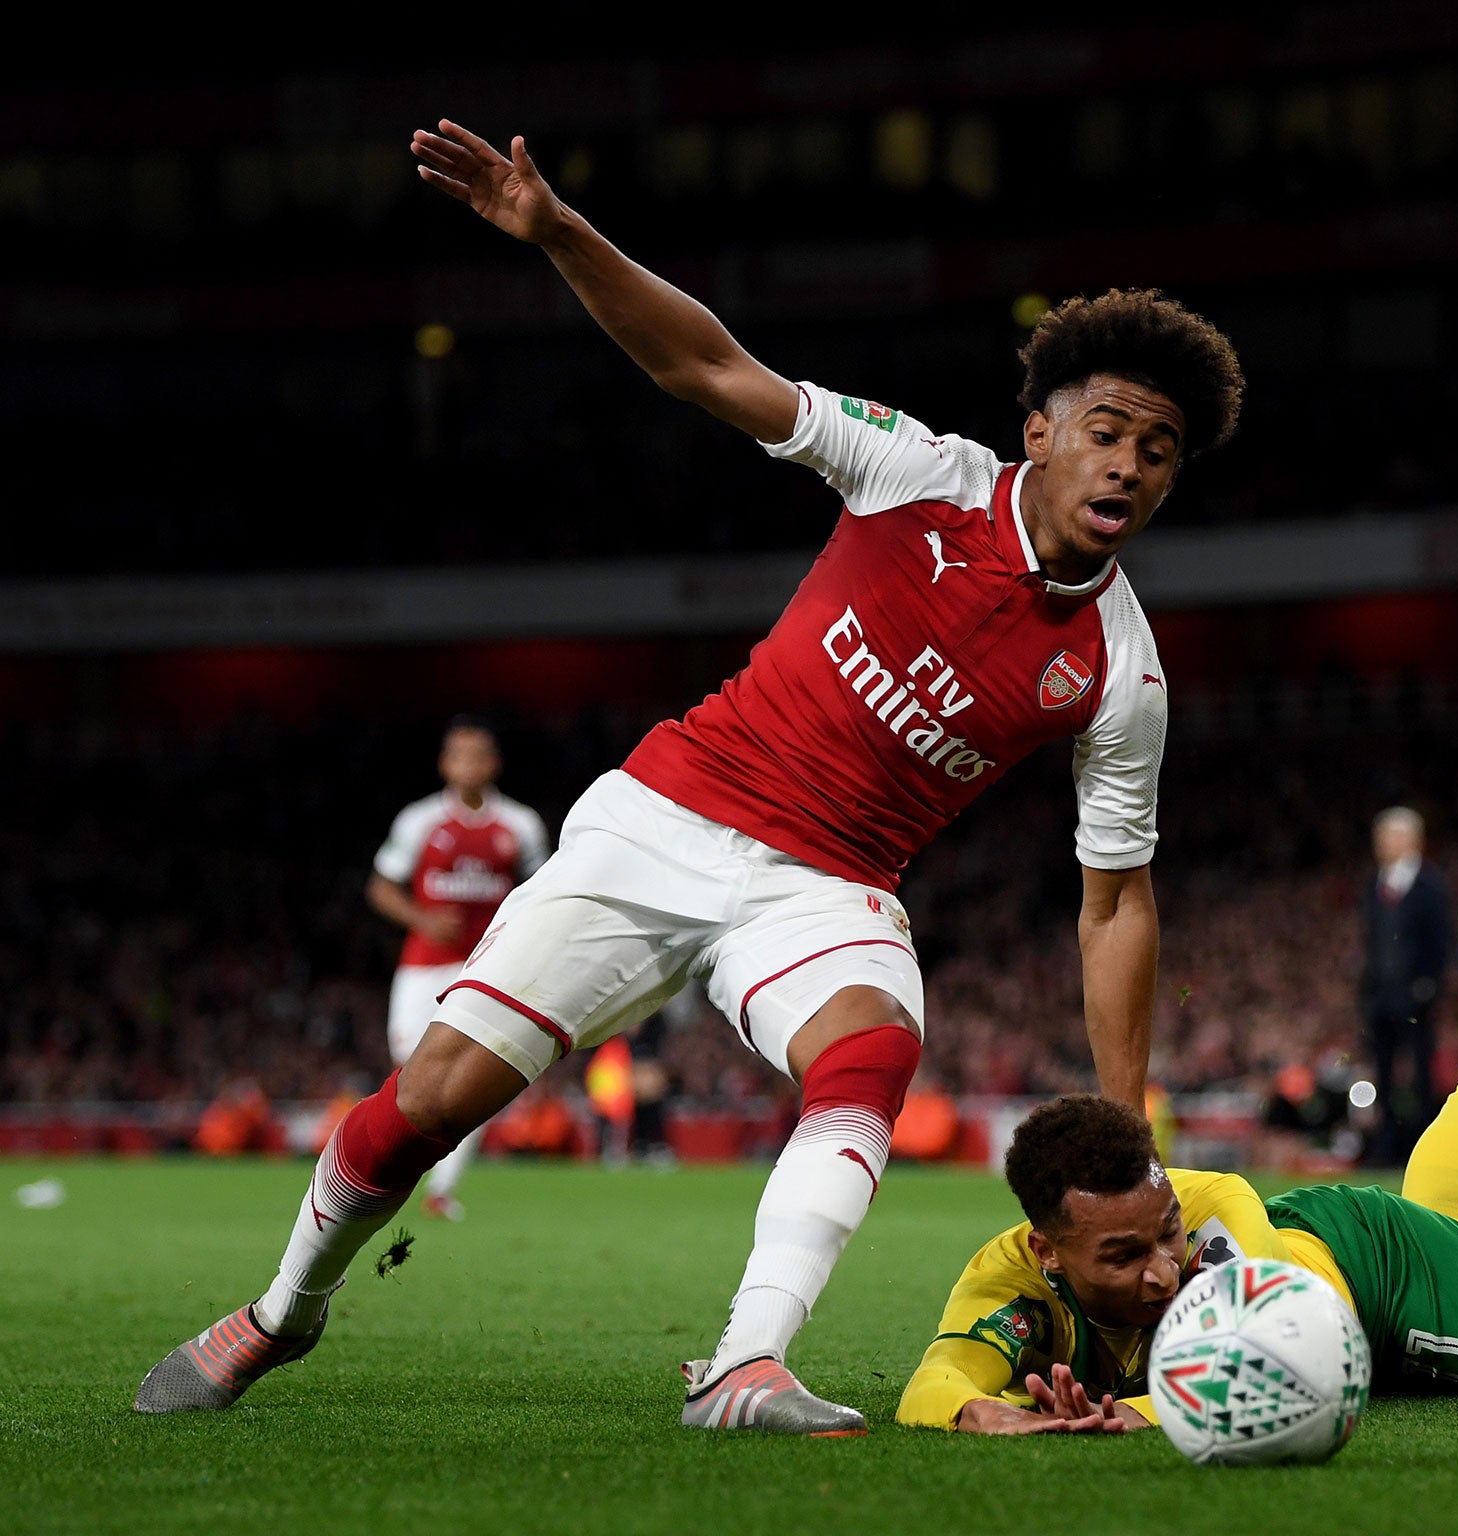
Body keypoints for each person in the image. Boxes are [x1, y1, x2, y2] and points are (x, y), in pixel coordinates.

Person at [134, 118, 1246, 1434]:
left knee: (873, 1055)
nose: (1129, 463)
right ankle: (283, 1310)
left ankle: (742, 1366)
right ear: (1041, 433)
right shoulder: (917, 475)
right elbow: (710, 364)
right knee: (425, 1107)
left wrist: (1125, 1140)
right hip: (666, 819)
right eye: (1109, 430)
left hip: (828, 889)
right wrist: (557, 233)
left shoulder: (1122, 672)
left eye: (1160, 449)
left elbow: (1116, 902)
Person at [900, 925, 1458, 1431]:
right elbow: (931, 1381)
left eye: (1166, 1234)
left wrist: (1134, 1416)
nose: (1162, 1269)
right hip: (1348, 1259)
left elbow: (1280, 1340)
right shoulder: (1009, 1276)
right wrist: (988, 1415)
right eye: (1121, 1255)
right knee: (1446, 1207)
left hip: (1382, 1280)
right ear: (1043, 1251)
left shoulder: (1219, 1207)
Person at [366, 717, 550, 1219]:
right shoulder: (419, 821)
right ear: (445, 764)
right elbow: (381, 887)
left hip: (485, 969)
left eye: (478, 755)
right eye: (459, 755)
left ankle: (439, 1191)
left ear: (493, 764)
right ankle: (396, 1171)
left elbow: (544, 894)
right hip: (423, 966)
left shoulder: (521, 825)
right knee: (409, 1069)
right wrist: (421, 917)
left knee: (472, 1077)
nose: (468, 764)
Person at [1359, 806, 1453, 1162]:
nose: (1380, 844)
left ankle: (1425, 1151)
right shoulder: (1376, 884)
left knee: (1421, 1076)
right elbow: (1372, 942)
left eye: (1388, 836)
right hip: (1381, 995)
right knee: (1383, 1075)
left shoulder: (1430, 885)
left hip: (1415, 996)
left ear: (1411, 840)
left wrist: (1428, 984)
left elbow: (1441, 939)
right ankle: (1386, 1150)